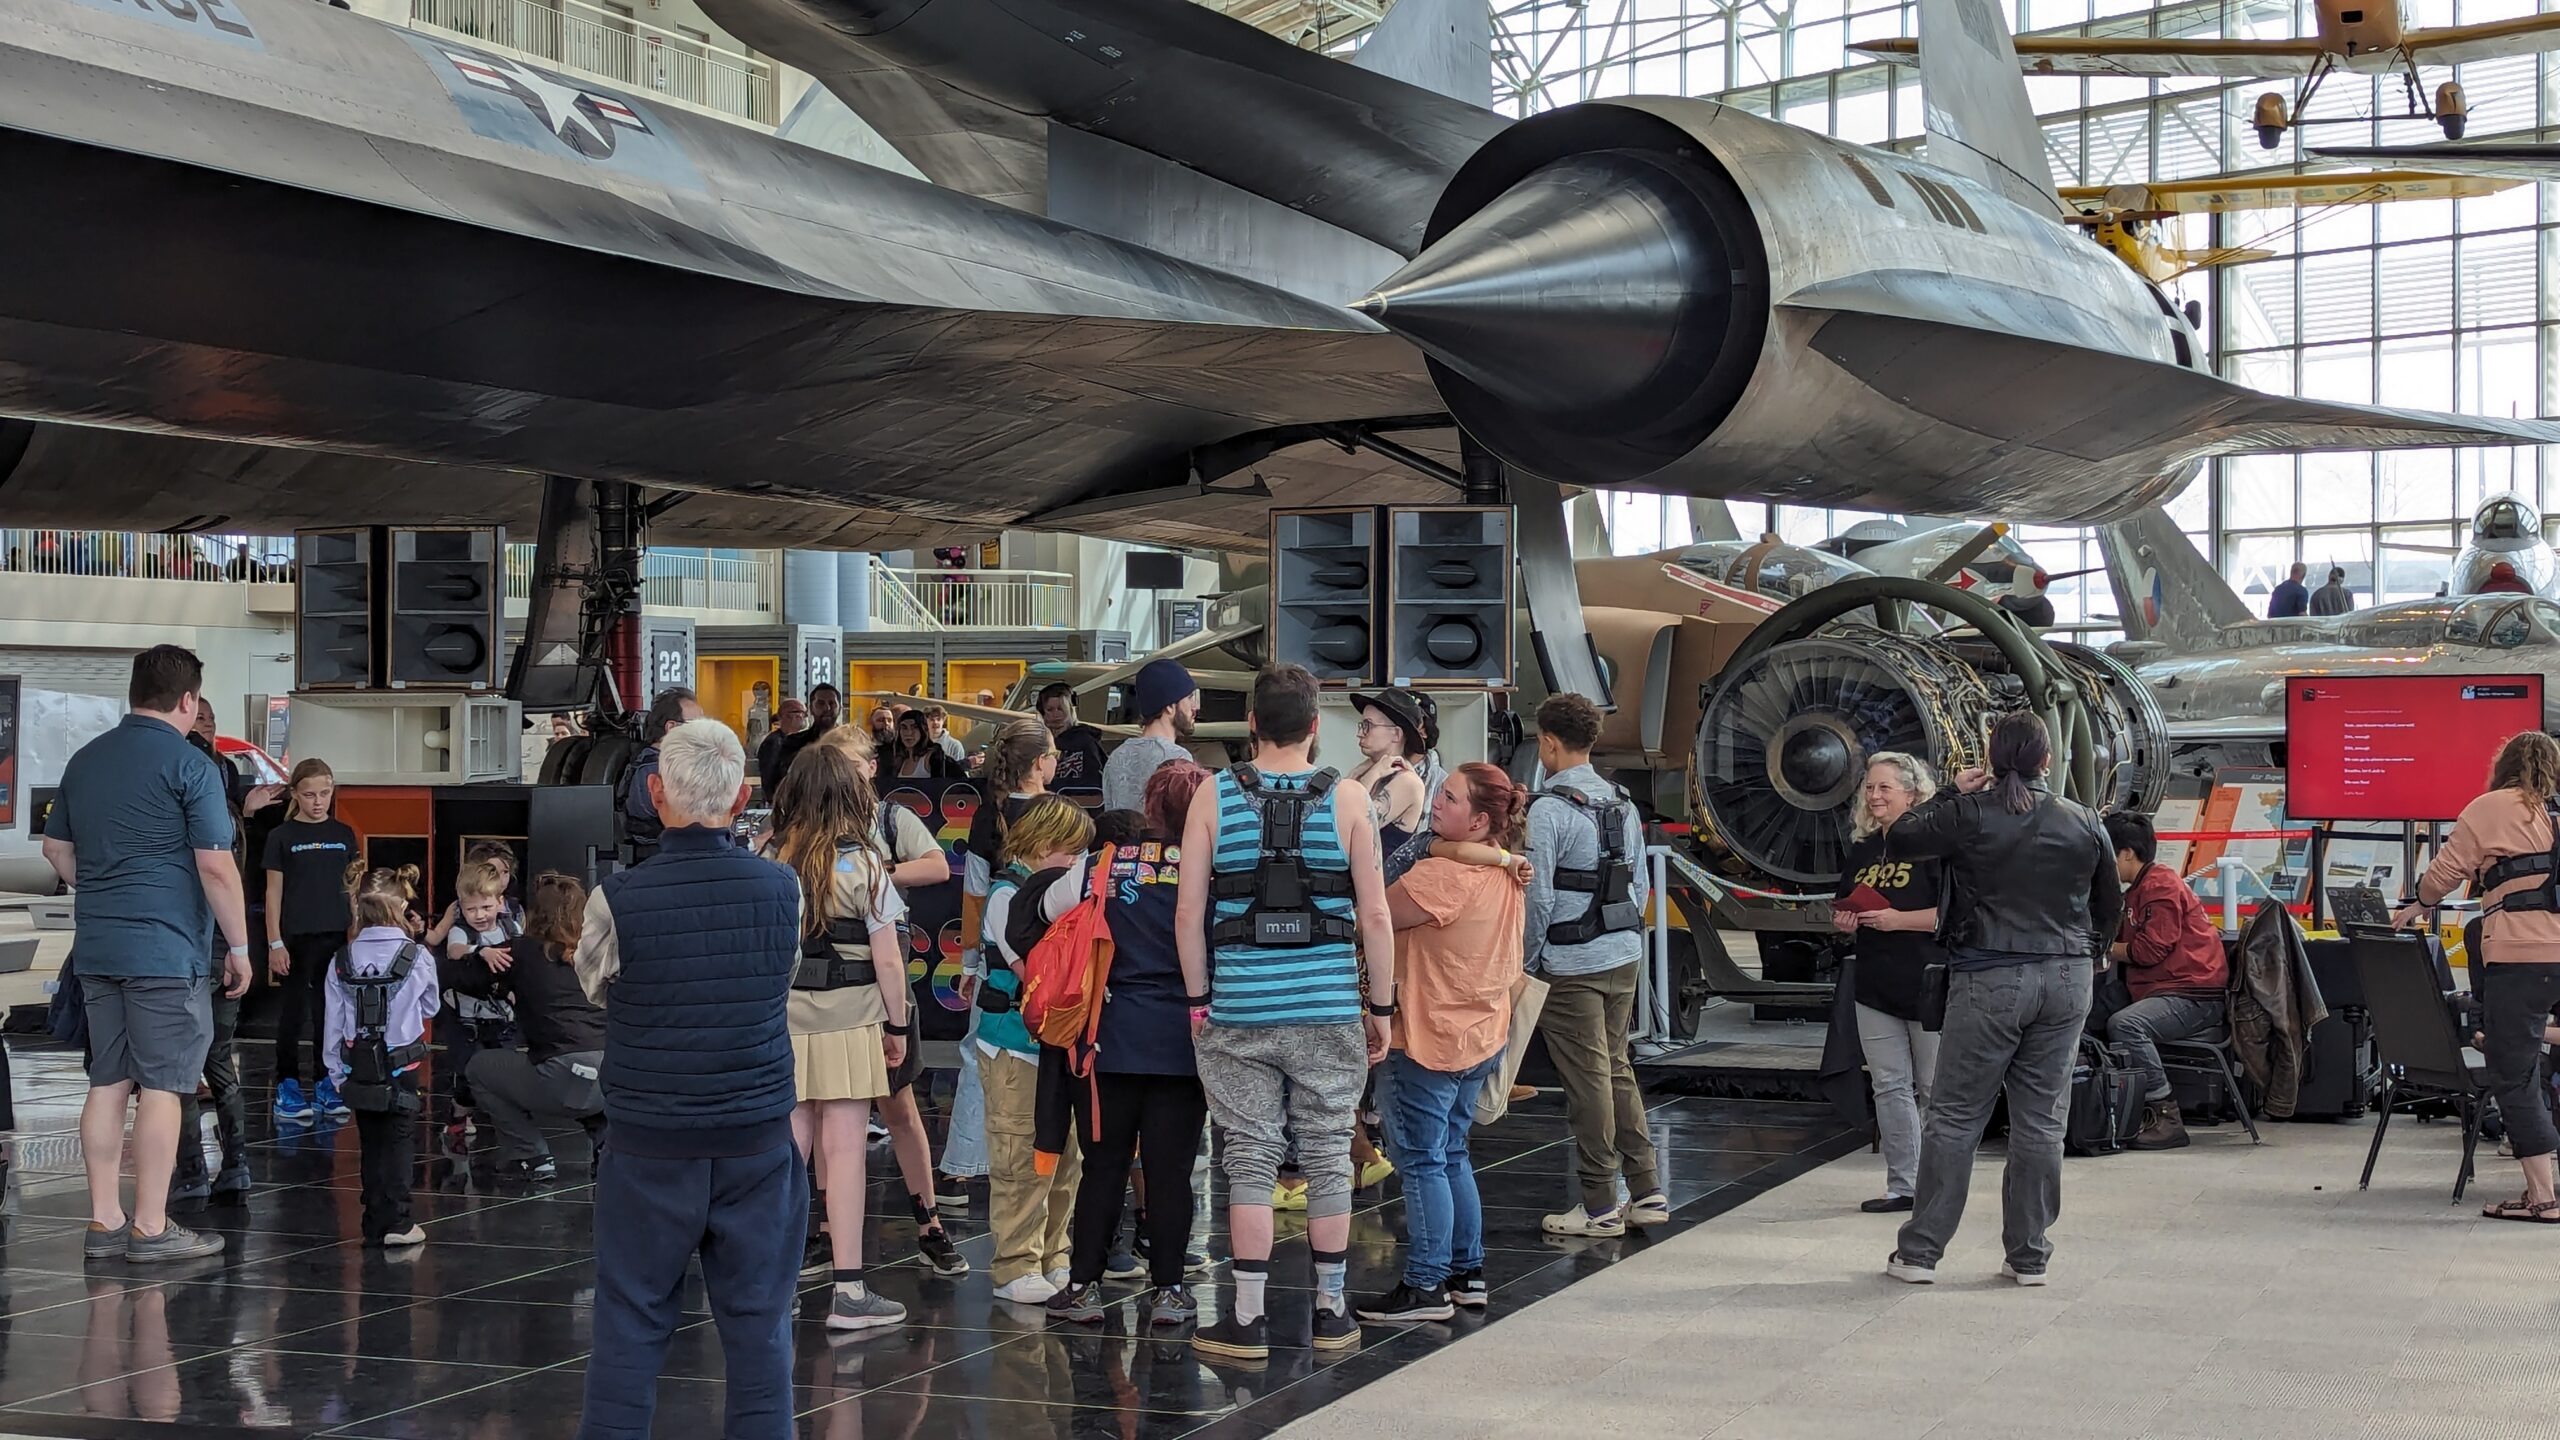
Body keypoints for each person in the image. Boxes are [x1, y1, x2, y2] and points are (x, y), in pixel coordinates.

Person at [573, 719, 805, 1440]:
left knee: (630, 1324)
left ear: (654, 793)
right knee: (760, 1327)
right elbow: (780, 979)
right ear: (741, 800)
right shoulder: (782, 890)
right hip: (756, 1139)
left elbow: (596, 987)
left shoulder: (618, 898)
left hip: (649, 1141)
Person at [1176, 664, 1398, 1362]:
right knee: (1330, 1154)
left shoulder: (1212, 795)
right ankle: (1332, 1312)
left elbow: (1189, 913)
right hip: (1328, 1005)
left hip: (1238, 1007)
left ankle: (1244, 1319)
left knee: (1249, 1158)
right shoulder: (1352, 799)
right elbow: (1378, 915)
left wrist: (1197, 998)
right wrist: (1381, 1007)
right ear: (1313, 728)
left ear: (1249, 724)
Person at [1881, 713, 2121, 1286]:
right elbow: (2109, 903)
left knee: (1957, 1117)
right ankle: (2029, 1256)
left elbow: (1901, 837)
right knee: (2041, 1122)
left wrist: (1947, 791)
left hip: (1989, 974)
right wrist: (2094, 952)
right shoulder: (2084, 820)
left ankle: (1920, 1254)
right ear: (2046, 760)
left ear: (1992, 759)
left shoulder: (1969, 814)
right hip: (2066, 977)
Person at [43, 646, 249, 1265]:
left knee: (108, 1081)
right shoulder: (191, 766)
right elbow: (215, 865)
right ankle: (152, 1227)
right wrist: (240, 946)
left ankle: (104, 1222)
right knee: (165, 1084)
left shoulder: (87, 758)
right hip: (166, 950)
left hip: (97, 947)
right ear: (188, 700)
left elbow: (57, 851)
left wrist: (106, 886)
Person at [1356, 762, 1530, 1324]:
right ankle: (1466, 1273)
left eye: (1450, 798)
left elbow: (1374, 915)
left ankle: (1426, 1285)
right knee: (1453, 1154)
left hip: (1426, 1037)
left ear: (1479, 821)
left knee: (1424, 1162)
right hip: (1481, 1034)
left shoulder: (1441, 878)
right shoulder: (1505, 872)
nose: (1437, 802)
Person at [1044, 764, 1212, 1327]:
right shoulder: (1211, 870)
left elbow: (1042, 911)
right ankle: (1168, 1290)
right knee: (1170, 1172)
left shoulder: (1103, 863)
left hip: (1106, 1039)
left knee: (1103, 1167)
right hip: (1184, 1041)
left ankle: (1083, 1285)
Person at [764, 744, 915, 1332]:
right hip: (852, 1021)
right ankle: (849, 1291)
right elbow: (890, 961)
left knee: (786, 1151)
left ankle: (773, 1285)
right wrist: (897, 1025)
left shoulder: (771, 858)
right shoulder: (868, 865)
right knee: (846, 1150)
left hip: (784, 1020)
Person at [819, 727, 969, 1276]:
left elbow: (935, 865)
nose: (851, 772)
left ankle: (928, 1221)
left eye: (856, 762)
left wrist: (873, 876)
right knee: (825, 1108)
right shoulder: (809, 823)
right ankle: (828, 1229)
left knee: (897, 1100)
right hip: (825, 974)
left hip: (879, 967)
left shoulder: (888, 817)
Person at [2396, 730, 2560, 1221]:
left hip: (2521, 955)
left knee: (2513, 1073)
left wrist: (2418, 905)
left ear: (2504, 766)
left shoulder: (2489, 808)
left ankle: (2543, 1198)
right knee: (2523, 1058)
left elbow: (2445, 873)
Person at [1524, 692, 1667, 1239]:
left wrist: (1530, 961)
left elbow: (1537, 899)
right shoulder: (1622, 803)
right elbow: (1638, 884)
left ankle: (1600, 1203)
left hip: (1569, 961)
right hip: (1621, 952)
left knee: (1587, 1082)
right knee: (1615, 1067)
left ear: (1549, 743)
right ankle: (1648, 1190)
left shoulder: (1549, 810)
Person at [940, 718, 1060, 1209]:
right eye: (1052, 753)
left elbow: (972, 894)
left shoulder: (987, 814)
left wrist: (970, 962)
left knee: (978, 1054)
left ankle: (961, 1166)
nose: (1057, 761)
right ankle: (1035, 1154)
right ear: (1038, 764)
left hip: (993, 952)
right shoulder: (1057, 814)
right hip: (1047, 955)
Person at [979, 795, 1093, 1304]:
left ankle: (1055, 1253)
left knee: (1064, 1154)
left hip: (1058, 1048)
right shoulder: (1008, 895)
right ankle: (1014, 1263)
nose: (1075, 865)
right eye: (1071, 853)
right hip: (1014, 1046)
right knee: (1021, 1154)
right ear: (1045, 843)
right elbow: (1033, 970)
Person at [1830, 753, 1945, 1214]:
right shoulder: (1863, 849)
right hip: (1874, 979)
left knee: (1935, 1087)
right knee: (1889, 1085)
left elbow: (1953, 916)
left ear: (1912, 793)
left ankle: (1940, 1182)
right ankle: (1903, 1184)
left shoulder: (1937, 849)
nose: (1874, 797)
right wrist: (1845, 919)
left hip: (1928, 979)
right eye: (1870, 789)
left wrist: (1899, 920)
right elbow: (1849, 903)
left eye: (1884, 788)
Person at [444, 871, 608, 1179]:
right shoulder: (601, 952)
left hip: (559, 1074)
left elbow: (458, 978)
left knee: (480, 1067)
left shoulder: (521, 952)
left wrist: (480, 957)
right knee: (592, 1078)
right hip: (612, 1075)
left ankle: (531, 1155)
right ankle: (607, 1152)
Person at [326, 866, 441, 1248]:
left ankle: (373, 1217)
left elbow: (333, 1021)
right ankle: (398, 1220)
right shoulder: (418, 956)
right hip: (402, 1064)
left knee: (370, 1141)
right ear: (402, 906)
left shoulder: (342, 959)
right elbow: (431, 1006)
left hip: (358, 1066)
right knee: (400, 1140)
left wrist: (335, 1071)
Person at [2102, 812, 2231, 1152]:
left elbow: (2149, 951)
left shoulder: (2161, 886)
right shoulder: (2141, 887)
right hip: (2160, 988)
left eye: (2107, 853)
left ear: (2127, 853)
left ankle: (2165, 1113)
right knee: (2082, 1013)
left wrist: (2098, 947)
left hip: (2193, 994)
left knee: (2126, 1025)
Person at [262, 758, 359, 1123]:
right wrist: (274, 942)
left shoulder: (344, 834)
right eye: (309, 795)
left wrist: (356, 933)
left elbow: (352, 889)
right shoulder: (282, 837)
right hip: (295, 938)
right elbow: (273, 893)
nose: (318, 801)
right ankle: (287, 1083)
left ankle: (325, 1081)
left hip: (335, 937)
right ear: (295, 795)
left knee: (330, 1013)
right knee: (293, 1013)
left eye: (324, 793)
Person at [431, 862, 532, 1169]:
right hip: (467, 1020)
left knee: (508, 1074)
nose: (480, 915)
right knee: (469, 1075)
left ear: (500, 902)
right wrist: (480, 952)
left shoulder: (509, 928)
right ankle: (458, 1118)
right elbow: (454, 951)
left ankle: (515, 1136)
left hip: (501, 1018)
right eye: (471, 908)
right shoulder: (461, 930)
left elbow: (521, 958)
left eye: (486, 907)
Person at [1101, 659, 1199, 812]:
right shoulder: (1177, 759)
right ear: (1170, 707)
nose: (1194, 707)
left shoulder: (1116, 757)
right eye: (1189, 698)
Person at [1349, 688, 1438, 856]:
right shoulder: (1370, 770)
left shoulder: (1407, 782)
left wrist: (1370, 776)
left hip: (1381, 881)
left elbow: (1348, 825)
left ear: (1396, 734)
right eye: (1361, 725)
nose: (1360, 733)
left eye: (1368, 726)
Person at [622, 688, 703, 862]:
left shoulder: (660, 765)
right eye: (695, 725)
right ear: (671, 727)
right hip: (660, 861)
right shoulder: (653, 769)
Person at [766, 683, 841, 797]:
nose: (827, 708)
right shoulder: (794, 743)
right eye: (821, 703)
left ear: (840, 707)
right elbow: (776, 783)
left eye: (832, 703)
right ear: (811, 708)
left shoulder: (852, 742)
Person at [1038, 682, 1108, 799]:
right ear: (1042, 714)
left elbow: (1093, 784)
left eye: (1061, 708)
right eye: (1050, 709)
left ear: (1071, 711)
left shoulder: (1085, 742)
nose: (1056, 714)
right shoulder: (1038, 742)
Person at [885, 710, 959, 779]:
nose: (909, 733)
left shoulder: (933, 757)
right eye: (904, 728)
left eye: (914, 727)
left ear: (923, 730)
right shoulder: (899, 760)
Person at [757, 696, 806, 799]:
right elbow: (769, 778)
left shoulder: (798, 740)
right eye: (800, 712)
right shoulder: (773, 743)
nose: (803, 717)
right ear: (786, 715)